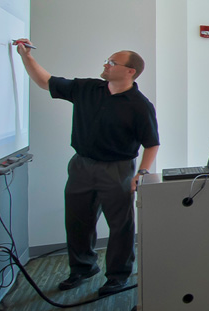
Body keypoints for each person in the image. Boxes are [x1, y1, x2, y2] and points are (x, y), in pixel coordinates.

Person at [15, 39, 160, 296]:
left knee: (120, 226)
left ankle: (117, 275)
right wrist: (26, 56)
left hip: (118, 169)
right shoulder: (87, 88)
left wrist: (142, 173)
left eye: (112, 62)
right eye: (108, 60)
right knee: (77, 220)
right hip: (81, 166)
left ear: (130, 72)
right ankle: (82, 268)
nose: (106, 64)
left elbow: (151, 144)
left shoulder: (140, 105)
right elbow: (45, 81)